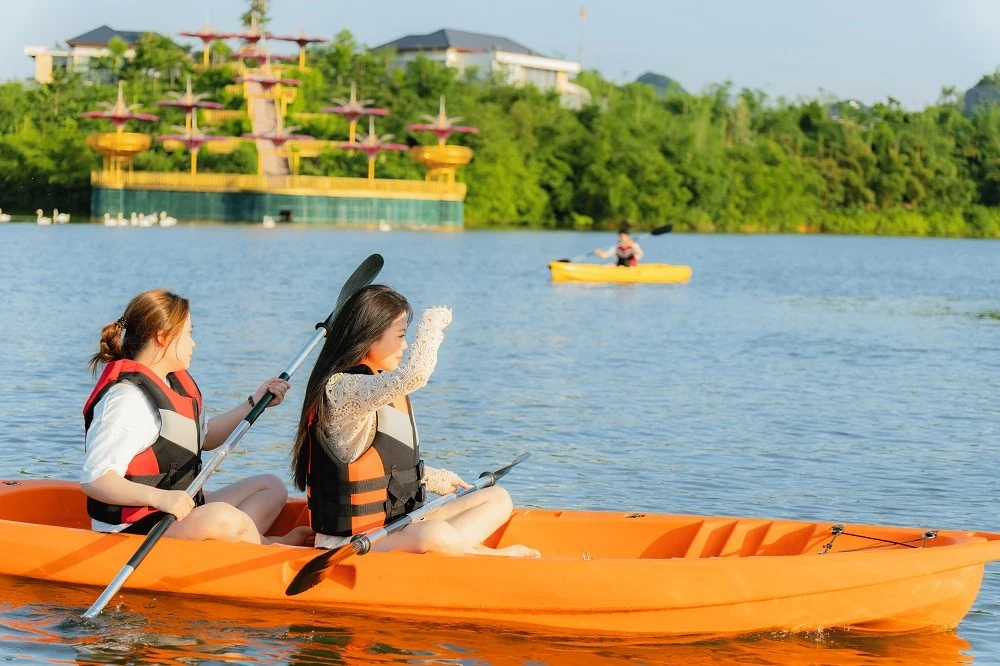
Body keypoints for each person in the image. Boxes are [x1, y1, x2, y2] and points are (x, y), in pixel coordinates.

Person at [291, 285, 539, 557]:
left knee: (497, 498)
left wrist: (434, 478)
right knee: (436, 534)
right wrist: (432, 323)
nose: (405, 345)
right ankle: (491, 556)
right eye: (400, 335)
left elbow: (387, 469)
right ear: (370, 337)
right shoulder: (342, 389)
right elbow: (416, 374)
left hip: (397, 525)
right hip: (354, 542)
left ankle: (455, 550)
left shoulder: (374, 387)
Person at [81, 288, 312, 546]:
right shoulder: (126, 400)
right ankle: (272, 548)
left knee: (271, 486)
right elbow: (97, 479)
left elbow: (206, 437)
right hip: (136, 530)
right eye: (188, 334)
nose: (193, 343)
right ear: (162, 337)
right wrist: (160, 499)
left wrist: (254, 402)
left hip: (176, 512)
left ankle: (247, 541)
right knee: (223, 517)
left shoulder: (172, 384)